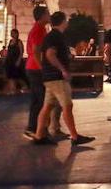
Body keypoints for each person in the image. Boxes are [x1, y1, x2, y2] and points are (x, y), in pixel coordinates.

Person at [31, 12, 94, 146]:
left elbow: (51, 54)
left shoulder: (50, 36)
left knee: (47, 107)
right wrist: (63, 69)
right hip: (57, 78)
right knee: (67, 105)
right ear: (63, 21)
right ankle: (75, 137)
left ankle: (39, 135)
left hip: (49, 77)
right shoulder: (56, 36)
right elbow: (50, 54)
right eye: (66, 20)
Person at [23, 5, 53, 140]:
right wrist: (42, 68)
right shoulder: (39, 30)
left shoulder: (39, 29)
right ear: (42, 16)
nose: (49, 15)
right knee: (43, 101)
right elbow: (36, 51)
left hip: (32, 67)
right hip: (36, 69)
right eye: (47, 13)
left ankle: (32, 127)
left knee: (36, 100)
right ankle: (41, 131)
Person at [3, 27, 26, 95]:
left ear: (17, 34)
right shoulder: (10, 41)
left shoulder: (19, 41)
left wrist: (19, 60)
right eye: (11, 33)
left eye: (13, 33)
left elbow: (21, 52)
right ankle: (12, 89)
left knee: (17, 76)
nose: (12, 34)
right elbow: (9, 51)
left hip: (16, 60)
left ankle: (23, 86)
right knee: (10, 76)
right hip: (10, 60)